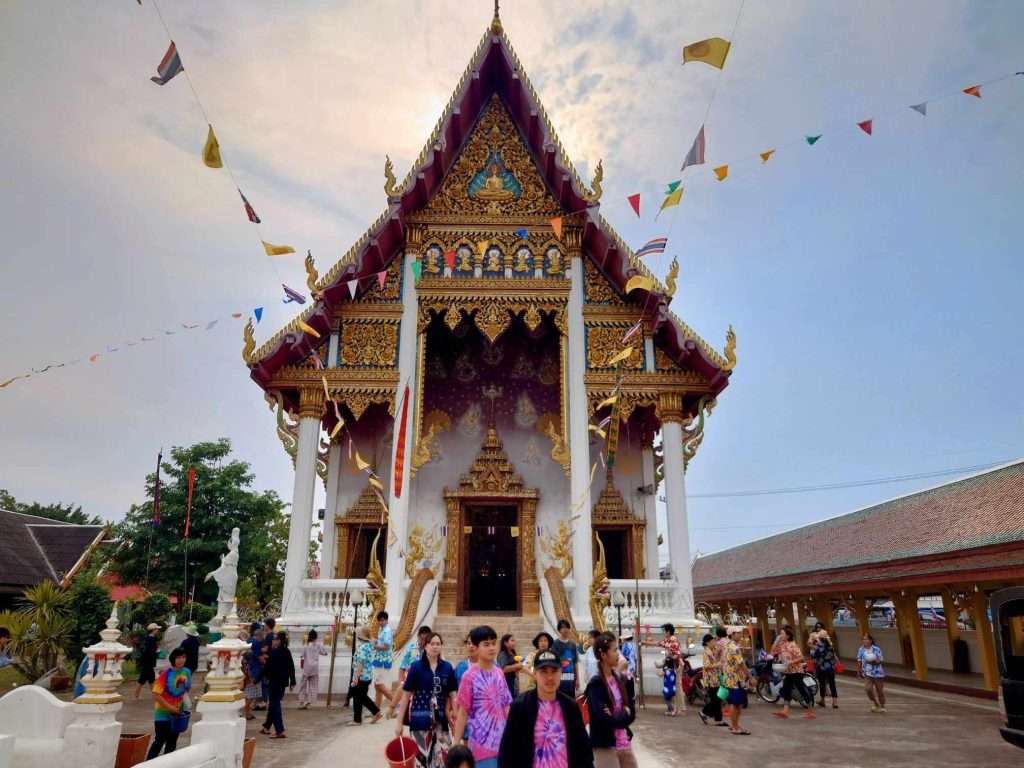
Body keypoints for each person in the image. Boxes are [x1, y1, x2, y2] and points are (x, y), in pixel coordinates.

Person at [498, 648, 594, 768]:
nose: (549, 677)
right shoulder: (520, 706)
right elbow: (507, 752)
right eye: (543, 671)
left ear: (561, 672)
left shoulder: (570, 707)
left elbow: (583, 750)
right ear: (534, 673)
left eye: (554, 671)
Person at [394, 632, 457, 767]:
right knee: (422, 762)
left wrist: (455, 715)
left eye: (438, 644)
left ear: (441, 647)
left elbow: (452, 694)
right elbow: (406, 695)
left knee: (444, 761)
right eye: (432, 643)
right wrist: (399, 722)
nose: (435, 647)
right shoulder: (416, 667)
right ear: (426, 646)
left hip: (441, 723)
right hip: (419, 721)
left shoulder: (447, 667)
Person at [454, 625, 512, 768]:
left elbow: (506, 707)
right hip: (481, 746)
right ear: (476, 647)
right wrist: (456, 744)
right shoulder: (469, 676)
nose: (492, 648)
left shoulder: (499, 673)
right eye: (486, 644)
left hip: (503, 743)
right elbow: (463, 713)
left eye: (493, 643)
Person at [585, 632, 636, 768]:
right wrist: (624, 714)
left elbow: (632, 712)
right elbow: (603, 718)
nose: (618, 654)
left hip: (623, 742)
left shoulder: (620, 680)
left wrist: (618, 717)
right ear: (603, 655)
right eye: (614, 650)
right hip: (604, 743)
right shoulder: (596, 685)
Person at [146, 647, 192, 759]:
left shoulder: (186, 672)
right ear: (173, 659)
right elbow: (156, 694)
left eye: (183, 657)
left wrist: (185, 704)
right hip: (162, 713)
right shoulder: (166, 674)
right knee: (159, 741)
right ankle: (147, 764)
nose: (181, 660)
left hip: (177, 714)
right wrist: (170, 707)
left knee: (172, 743)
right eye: (178, 657)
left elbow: (187, 689)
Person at [771, 627, 815, 720]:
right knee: (787, 689)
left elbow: (801, 658)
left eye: (782, 634)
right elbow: (773, 651)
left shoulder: (793, 645)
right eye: (780, 633)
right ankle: (785, 711)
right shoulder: (782, 644)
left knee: (802, 690)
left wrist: (791, 662)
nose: (780, 635)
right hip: (788, 671)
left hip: (796, 671)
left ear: (788, 636)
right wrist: (777, 640)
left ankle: (810, 711)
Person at [719, 626, 754, 736]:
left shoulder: (728, 645)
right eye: (737, 633)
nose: (739, 635)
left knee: (735, 704)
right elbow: (741, 664)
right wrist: (751, 677)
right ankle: (735, 727)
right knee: (736, 704)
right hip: (735, 679)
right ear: (732, 634)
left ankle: (735, 725)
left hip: (730, 678)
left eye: (740, 633)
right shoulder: (734, 647)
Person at [260, 631, 296, 738]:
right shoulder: (287, 651)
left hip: (274, 682)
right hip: (283, 682)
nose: (273, 641)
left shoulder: (274, 652)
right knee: (273, 705)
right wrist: (292, 681)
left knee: (275, 705)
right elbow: (291, 667)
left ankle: (280, 730)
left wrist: (257, 678)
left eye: (275, 639)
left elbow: (267, 668)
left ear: (279, 641)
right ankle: (266, 726)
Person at [349, 627, 382, 726]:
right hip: (366, 676)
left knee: (360, 697)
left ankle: (375, 712)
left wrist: (356, 678)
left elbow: (361, 663)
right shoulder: (368, 645)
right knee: (359, 697)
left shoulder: (363, 647)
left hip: (361, 676)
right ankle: (358, 719)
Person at [698, 628, 727, 726]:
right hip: (710, 679)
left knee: (718, 698)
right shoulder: (706, 652)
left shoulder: (713, 650)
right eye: (712, 641)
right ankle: (705, 712)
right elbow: (706, 666)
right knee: (717, 698)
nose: (715, 642)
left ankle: (717, 719)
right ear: (707, 642)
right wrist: (717, 664)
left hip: (716, 677)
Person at [297, 628, 329, 709]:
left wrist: (302, 666)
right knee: (313, 685)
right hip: (314, 668)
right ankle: (309, 701)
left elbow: (302, 657)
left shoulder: (306, 645)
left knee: (303, 685)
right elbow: (325, 653)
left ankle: (301, 701)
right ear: (316, 637)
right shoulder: (318, 645)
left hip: (306, 667)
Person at [373, 610, 396, 713]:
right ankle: (376, 711)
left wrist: (374, 645)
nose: (381, 622)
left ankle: (397, 704)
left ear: (386, 620)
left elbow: (386, 647)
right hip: (379, 659)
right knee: (378, 685)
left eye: (383, 620)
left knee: (379, 685)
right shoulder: (382, 630)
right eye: (379, 620)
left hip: (383, 660)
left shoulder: (386, 631)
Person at [857, 634, 886, 713]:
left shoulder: (876, 649)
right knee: (868, 689)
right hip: (867, 672)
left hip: (877, 673)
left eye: (866, 639)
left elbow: (880, 660)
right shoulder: (861, 649)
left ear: (870, 640)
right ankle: (875, 703)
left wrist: (873, 661)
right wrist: (859, 670)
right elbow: (859, 660)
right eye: (863, 639)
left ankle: (882, 705)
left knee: (879, 690)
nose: (864, 641)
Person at [810, 629, 839, 708]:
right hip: (830, 668)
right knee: (832, 684)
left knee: (822, 684)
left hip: (821, 668)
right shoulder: (830, 646)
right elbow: (833, 656)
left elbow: (814, 657)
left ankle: (823, 700)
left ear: (819, 638)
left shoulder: (819, 647)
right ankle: (835, 702)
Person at [552, 618, 579, 698]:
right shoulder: (555, 644)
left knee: (571, 703)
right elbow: (554, 663)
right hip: (560, 680)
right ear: (559, 630)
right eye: (563, 627)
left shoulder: (572, 644)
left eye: (567, 627)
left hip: (571, 679)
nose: (565, 629)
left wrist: (577, 679)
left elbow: (575, 662)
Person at [134, 623, 161, 699]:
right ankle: (138, 694)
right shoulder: (151, 639)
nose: (158, 631)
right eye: (156, 629)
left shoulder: (147, 638)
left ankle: (138, 694)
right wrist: (157, 653)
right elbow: (150, 652)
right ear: (153, 630)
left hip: (147, 662)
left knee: (149, 679)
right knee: (145, 679)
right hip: (148, 662)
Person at [497, 633, 523, 698]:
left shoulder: (513, 653)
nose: (514, 642)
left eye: (514, 640)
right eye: (512, 640)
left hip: (514, 681)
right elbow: (503, 669)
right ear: (505, 643)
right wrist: (516, 666)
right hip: (506, 682)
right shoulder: (502, 654)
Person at [248, 624, 267, 711]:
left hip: (252, 666)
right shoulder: (256, 643)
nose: (263, 638)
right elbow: (259, 656)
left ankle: (256, 703)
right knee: (257, 686)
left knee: (255, 685)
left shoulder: (251, 641)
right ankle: (259, 703)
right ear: (259, 635)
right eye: (262, 636)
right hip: (257, 667)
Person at [241, 648, 259, 720]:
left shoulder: (244, 663)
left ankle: (248, 713)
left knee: (248, 698)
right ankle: (247, 713)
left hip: (246, 682)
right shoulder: (247, 665)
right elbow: (248, 674)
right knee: (250, 698)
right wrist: (252, 680)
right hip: (248, 682)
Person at [618, 633, 636, 702]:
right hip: (632, 668)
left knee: (626, 687)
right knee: (631, 687)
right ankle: (632, 701)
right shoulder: (634, 645)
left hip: (626, 668)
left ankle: (628, 702)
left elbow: (622, 656)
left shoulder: (626, 645)